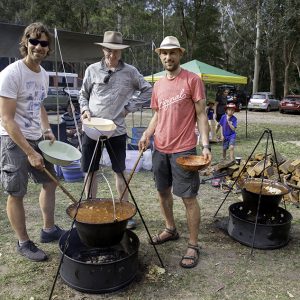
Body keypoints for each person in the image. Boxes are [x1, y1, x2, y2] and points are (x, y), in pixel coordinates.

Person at [138, 36, 212, 268]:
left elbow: (201, 115)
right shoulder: (158, 85)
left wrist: (206, 145)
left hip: (184, 150)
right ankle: (170, 228)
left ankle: (193, 244)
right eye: (164, 53)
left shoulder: (192, 80)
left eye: (172, 53)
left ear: (180, 54)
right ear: (159, 55)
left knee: (188, 198)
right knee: (162, 192)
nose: (168, 57)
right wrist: (147, 134)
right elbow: (158, 115)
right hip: (160, 148)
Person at [0, 22, 65, 262]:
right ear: (26, 43)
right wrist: (29, 152)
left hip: (37, 138)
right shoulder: (11, 74)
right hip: (13, 140)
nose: (38, 46)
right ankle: (23, 242)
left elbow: (38, 105)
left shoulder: (44, 75)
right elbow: (6, 119)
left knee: (50, 183)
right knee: (16, 192)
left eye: (43, 43)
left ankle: (49, 230)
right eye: (34, 41)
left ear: (48, 48)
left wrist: (46, 129)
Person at [79, 31, 152, 229]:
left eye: (116, 51)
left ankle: (123, 211)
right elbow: (83, 94)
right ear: (102, 49)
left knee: (119, 171)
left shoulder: (130, 72)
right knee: (90, 170)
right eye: (108, 50)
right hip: (92, 129)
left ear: (121, 52)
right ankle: (89, 209)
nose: (112, 55)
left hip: (116, 130)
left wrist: (129, 107)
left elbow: (148, 90)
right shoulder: (92, 70)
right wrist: (85, 110)